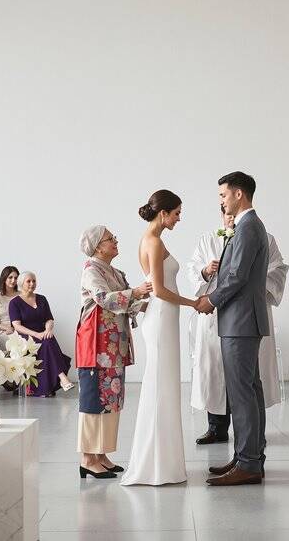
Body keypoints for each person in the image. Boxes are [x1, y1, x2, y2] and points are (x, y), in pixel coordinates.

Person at [188, 206, 289, 444]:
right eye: (226, 214)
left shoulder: (263, 237)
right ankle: (217, 427)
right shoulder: (208, 240)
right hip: (215, 316)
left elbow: (278, 269)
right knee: (215, 371)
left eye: (233, 214)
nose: (231, 218)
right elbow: (193, 268)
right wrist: (205, 271)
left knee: (247, 378)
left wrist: (251, 278)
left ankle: (251, 436)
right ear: (221, 216)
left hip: (244, 313)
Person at [196, 171, 270, 486]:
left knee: (242, 394)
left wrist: (210, 299)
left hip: (240, 321)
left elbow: (237, 275)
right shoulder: (247, 226)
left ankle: (249, 464)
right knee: (250, 391)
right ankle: (247, 457)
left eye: (223, 195)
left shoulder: (248, 227)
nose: (222, 202)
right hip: (242, 320)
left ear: (238, 194)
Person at [121, 190, 195, 486]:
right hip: (162, 316)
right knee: (159, 385)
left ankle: (164, 462)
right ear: (163, 213)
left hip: (165, 318)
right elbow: (160, 290)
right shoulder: (152, 241)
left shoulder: (154, 240)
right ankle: (154, 465)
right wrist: (194, 304)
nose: (179, 218)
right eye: (177, 213)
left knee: (164, 385)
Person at [76, 225, 152, 479]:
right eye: (111, 238)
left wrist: (155, 305)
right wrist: (136, 292)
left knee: (112, 396)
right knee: (93, 397)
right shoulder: (91, 269)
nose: (116, 241)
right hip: (95, 342)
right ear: (98, 246)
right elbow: (104, 298)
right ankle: (87, 457)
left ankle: (102, 453)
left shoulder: (114, 271)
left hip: (113, 343)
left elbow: (130, 302)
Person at [9, 271, 75, 395]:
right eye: (28, 281)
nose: (32, 283)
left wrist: (48, 329)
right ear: (21, 283)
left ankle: (60, 379)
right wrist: (36, 334)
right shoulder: (15, 303)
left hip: (43, 334)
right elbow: (17, 326)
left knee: (48, 339)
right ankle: (62, 377)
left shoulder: (42, 299)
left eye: (34, 281)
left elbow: (49, 319)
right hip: (26, 337)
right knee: (47, 342)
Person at [0, 266, 20, 352]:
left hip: (21, 328)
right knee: (15, 343)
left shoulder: (22, 295)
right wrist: (7, 328)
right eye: (10, 277)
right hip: (4, 331)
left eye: (16, 278)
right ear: (4, 278)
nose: (13, 280)